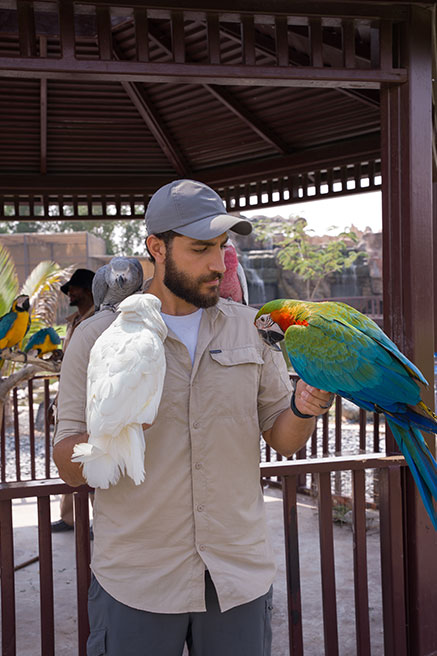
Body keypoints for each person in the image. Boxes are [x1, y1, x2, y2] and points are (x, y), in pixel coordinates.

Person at [53, 179, 333, 656]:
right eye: (201, 248)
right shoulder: (98, 337)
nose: (217, 264)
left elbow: (283, 440)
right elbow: (68, 467)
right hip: (137, 581)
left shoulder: (253, 329)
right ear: (156, 247)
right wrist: (114, 432)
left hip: (235, 576)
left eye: (223, 248)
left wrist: (305, 406)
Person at [51, 268, 95, 534]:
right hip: (69, 398)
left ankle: (99, 519)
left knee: (90, 458)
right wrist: (57, 400)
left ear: (88, 291)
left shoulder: (98, 322)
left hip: (90, 401)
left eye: (74, 289)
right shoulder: (74, 321)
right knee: (66, 456)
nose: (70, 293)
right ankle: (69, 518)